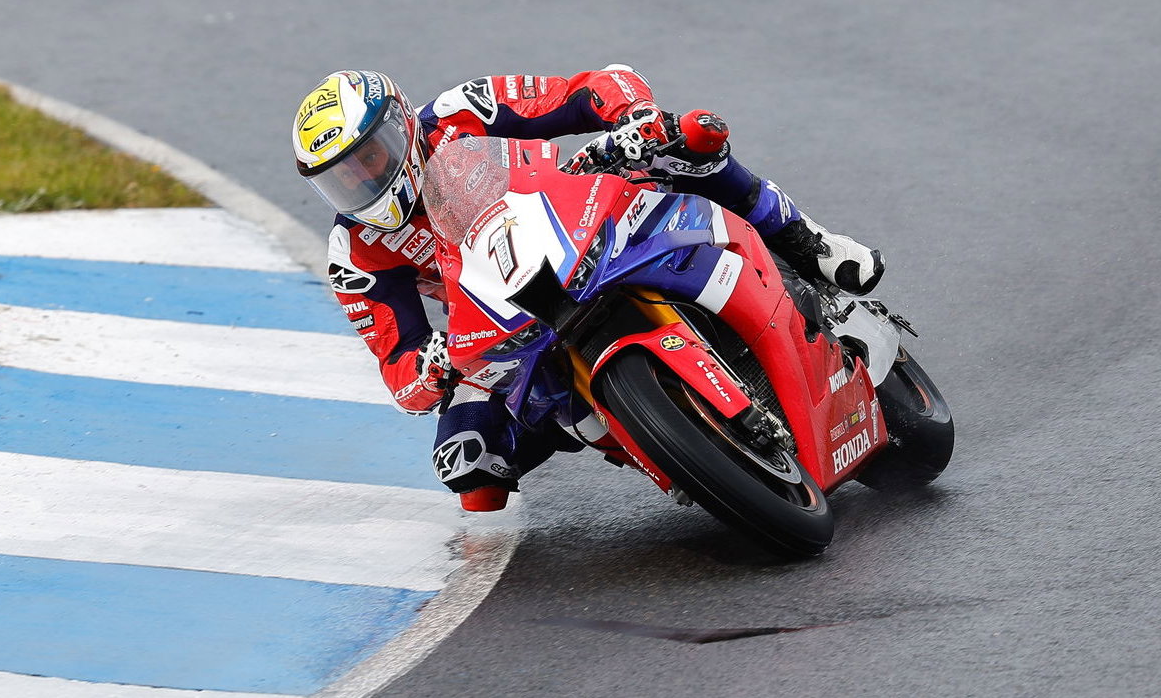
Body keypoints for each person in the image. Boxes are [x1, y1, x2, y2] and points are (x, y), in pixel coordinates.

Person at [292, 67, 883, 509]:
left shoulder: (457, 112)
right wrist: (435, 362)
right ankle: (655, 442)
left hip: (573, 217)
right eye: (341, 178)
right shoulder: (355, 251)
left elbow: (587, 88)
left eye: (370, 158)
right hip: (503, 311)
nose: (363, 181)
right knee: (470, 467)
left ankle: (812, 243)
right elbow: (398, 365)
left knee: (687, 142)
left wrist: (632, 119)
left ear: (398, 125)